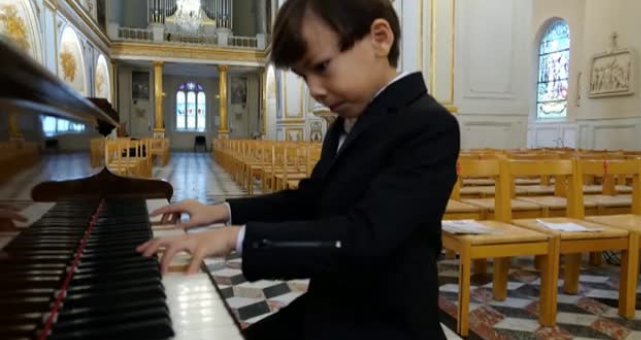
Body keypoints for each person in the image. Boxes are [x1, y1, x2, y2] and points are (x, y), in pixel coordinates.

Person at [138, 0, 459, 339]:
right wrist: (220, 211)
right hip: (333, 307)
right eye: (305, 77)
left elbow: (365, 239)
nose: (315, 90)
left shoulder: (429, 126)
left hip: (385, 324)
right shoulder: (347, 123)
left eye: (322, 67)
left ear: (380, 38)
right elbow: (311, 201)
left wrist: (238, 239)